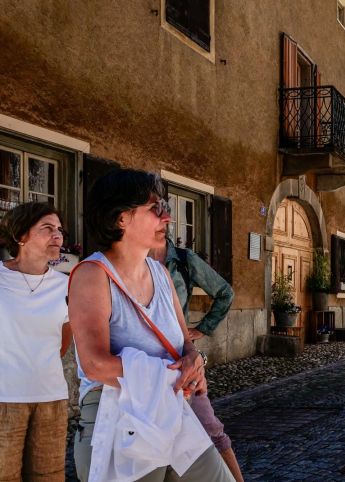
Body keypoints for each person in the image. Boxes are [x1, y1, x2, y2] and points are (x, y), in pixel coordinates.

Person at [69, 168, 234, 481]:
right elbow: (94, 365)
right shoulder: (93, 276)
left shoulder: (159, 274)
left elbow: (183, 340)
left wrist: (193, 358)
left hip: (171, 410)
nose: (167, 218)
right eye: (155, 209)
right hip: (120, 416)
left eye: (166, 209)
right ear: (121, 218)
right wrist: (170, 372)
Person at [150, 237, 243, 482]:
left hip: (182, 362)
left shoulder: (182, 259)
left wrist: (201, 329)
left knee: (210, 428)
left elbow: (225, 293)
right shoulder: (130, 258)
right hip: (148, 367)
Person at [0, 202, 72, 482]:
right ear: (21, 236)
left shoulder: (66, 285)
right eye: (47, 228)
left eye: (59, 229)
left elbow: (64, 341)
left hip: (51, 397)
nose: (58, 236)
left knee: (49, 476)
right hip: (4, 398)